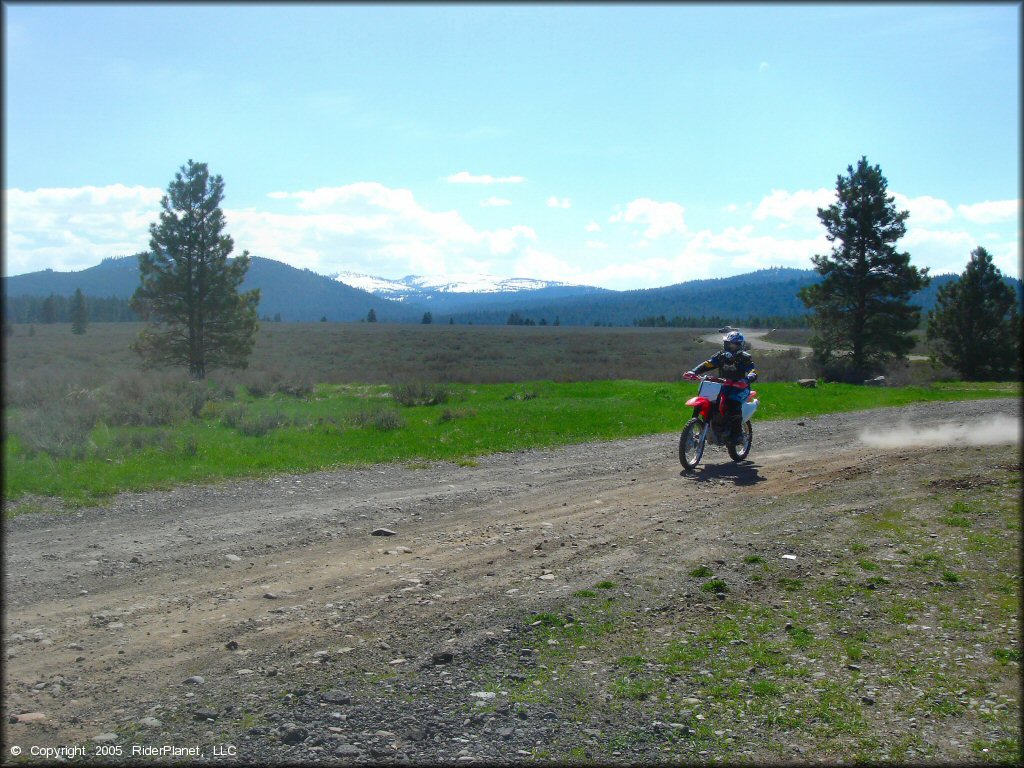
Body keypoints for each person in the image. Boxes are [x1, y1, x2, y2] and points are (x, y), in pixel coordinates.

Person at [685, 331, 758, 443]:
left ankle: (737, 435)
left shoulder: (745, 358)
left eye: (733, 345)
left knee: (733, 402)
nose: (730, 347)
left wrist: (747, 379)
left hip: (740, 387)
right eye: (728, 344)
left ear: (739, 345)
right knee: (710, 399)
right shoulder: (721, 357)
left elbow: (752, 371)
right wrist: (693, 371)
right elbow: (708, 364)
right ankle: (710, 425)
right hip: (723, 386)